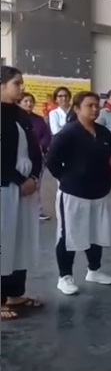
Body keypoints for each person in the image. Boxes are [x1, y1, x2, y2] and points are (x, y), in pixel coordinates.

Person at [46, 91, 111, 295]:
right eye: (89, 105)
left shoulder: (104, 133)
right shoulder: (68, 133)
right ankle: (64, 276)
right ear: (77, 108)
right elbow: (51, 161)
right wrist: (68, 178)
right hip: (74, 193)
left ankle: (94, 270)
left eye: (97, 105)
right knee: (69, 234)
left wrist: (108, 177)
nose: (95, 109)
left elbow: (106, 159)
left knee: (96, 232)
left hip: (100, 192)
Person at [1, 66, 43, 320]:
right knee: (3, 240)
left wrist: (34, 177)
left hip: (25, 188)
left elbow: (35, 150)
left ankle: (15, 294)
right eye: (17, 83)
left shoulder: (21, 114)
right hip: (6, 186)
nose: (22, 88)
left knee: (20, 240)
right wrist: (19, 180)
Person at [18, 92, 52, 220]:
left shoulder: (38, 119)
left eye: (31, 101)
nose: (29, 104)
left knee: (36, 183)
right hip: (20, 156)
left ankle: (38, 210)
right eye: (25, 101)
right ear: (19, 103)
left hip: (36, 155)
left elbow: (46, 135)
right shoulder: (16, 119)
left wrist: (41, 146)